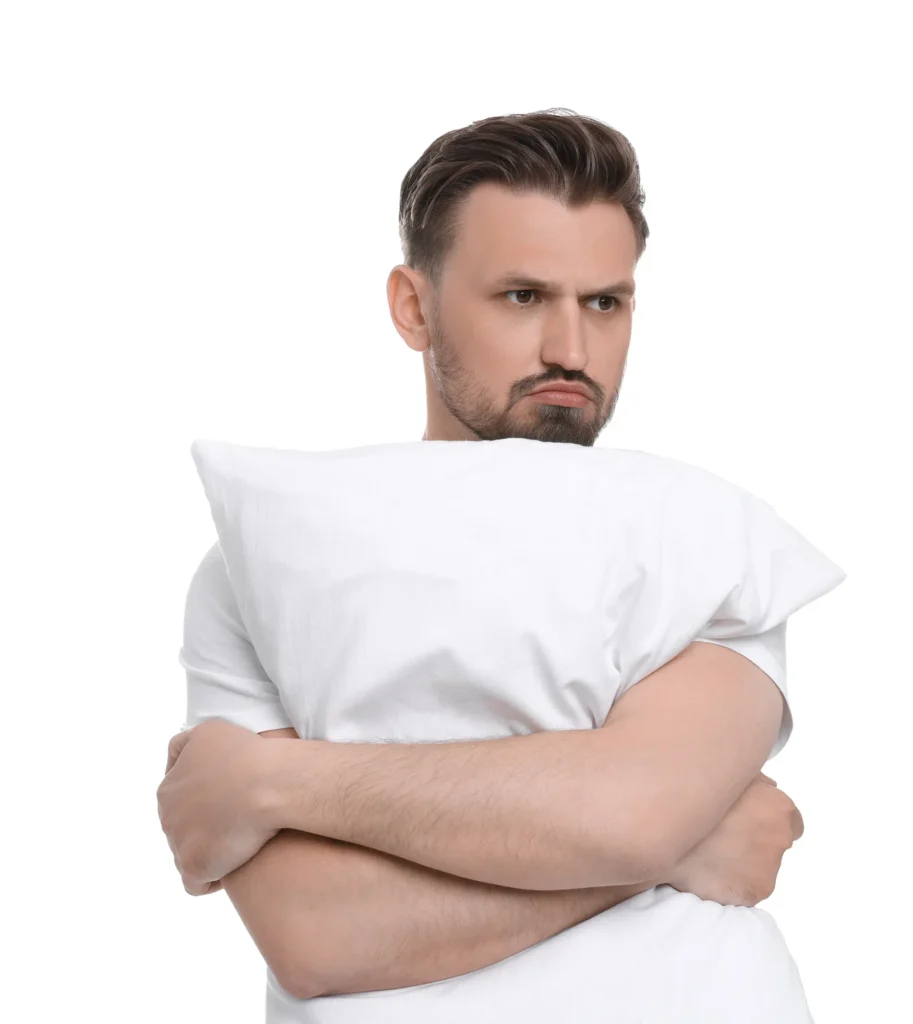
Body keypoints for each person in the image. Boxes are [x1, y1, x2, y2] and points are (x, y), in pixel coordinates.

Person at [160, 107, 814, 1020]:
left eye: (604, 303)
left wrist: (276, 784)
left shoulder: (693, 539)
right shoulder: (269, 556)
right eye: (521, 297)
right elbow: (318, 937)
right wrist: (685, 850)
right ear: (413, 307)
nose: (569, 350)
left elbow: (633, 814)